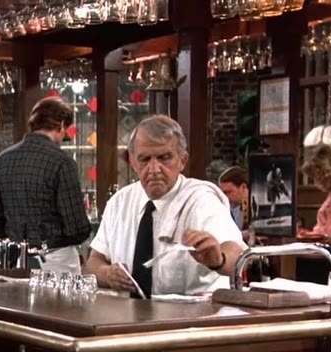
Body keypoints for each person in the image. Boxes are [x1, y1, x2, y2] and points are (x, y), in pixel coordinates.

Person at [84, 115, 245, 298]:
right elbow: (94, 261)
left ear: (182, 160)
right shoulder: (120, 202)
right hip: (128, 312)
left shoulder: (202, 200)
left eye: (164, 158)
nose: (154, 169)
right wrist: (107, 274)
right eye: (144, 159)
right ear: (133, 161)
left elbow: (237, 255)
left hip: (192, 312)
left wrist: (218, 260)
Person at [0, 96, 91, 274]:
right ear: (61, 125)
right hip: (56, 261)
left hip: (13, 260)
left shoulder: (1, 161)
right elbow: (77, 228)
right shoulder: (62, 162)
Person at [217, 166, 253, 243]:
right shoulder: (231, 209)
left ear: (243, 187)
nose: (225, 197)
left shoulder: (255, 208)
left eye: (228, 192)